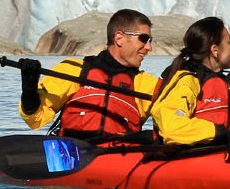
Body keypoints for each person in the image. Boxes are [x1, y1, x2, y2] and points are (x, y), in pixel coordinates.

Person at [17, 9, 162, 142]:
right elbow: (35, 119)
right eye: (143, 39)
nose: (149, 47)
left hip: (120, 159)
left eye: (150, 41)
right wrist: (29, 89)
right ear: (119, 38)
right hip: (72, 156)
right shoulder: (72, 70)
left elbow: (173, 122)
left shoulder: (149, 86)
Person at [148, 16, 230, 145]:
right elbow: (172, 126)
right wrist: (222, 134)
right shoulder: (187, 80)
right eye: (229, 43)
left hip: (224, 152)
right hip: (190, 157)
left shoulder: (227, 84)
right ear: (215, 50)